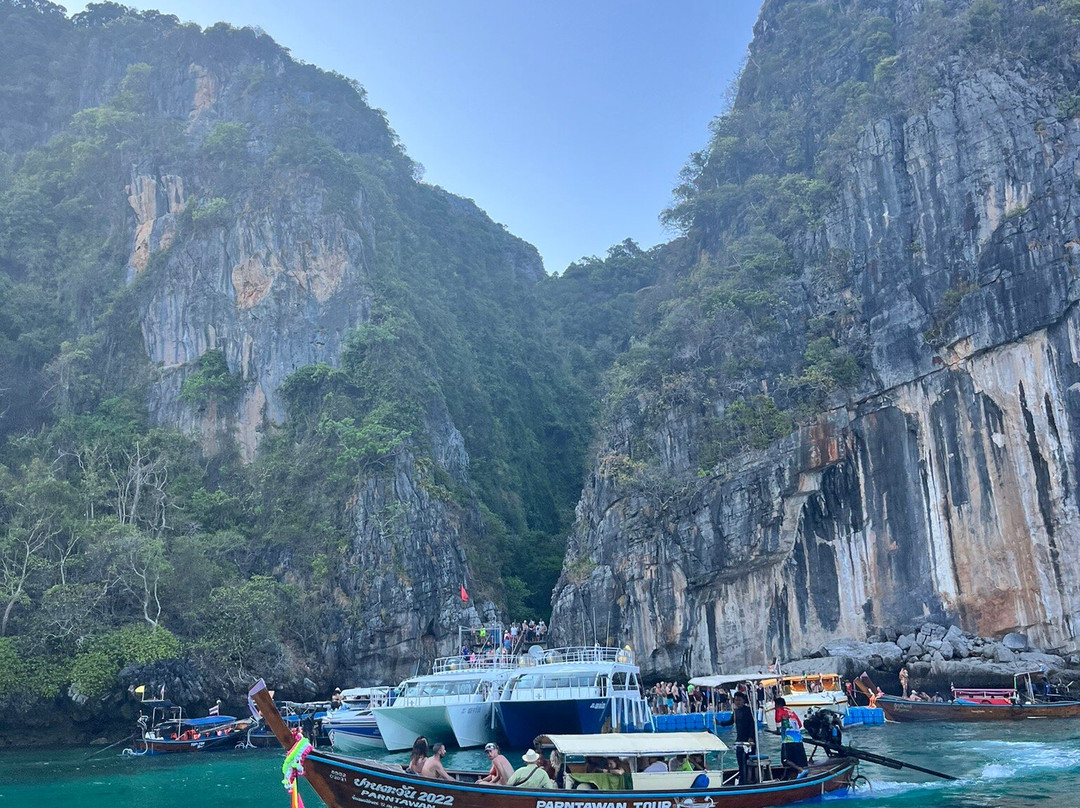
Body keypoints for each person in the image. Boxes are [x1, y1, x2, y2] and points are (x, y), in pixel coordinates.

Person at [717, 692, 756, 784]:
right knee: (740, 761)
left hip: (749, 740)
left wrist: (751, 738)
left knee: (748, 760)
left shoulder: (748, 710)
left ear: (743, 701)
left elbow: (752, 724)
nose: (737, 702)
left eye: (739, 700)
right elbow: (731, 721)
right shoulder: (735, 711)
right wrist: (720, 723)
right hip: (739, 739)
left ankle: (750, 778)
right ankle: (742, 779)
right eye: (736, 700)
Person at [773, 697, 807, 777]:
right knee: (798, 759)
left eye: (775, 705)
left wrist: (778, 731)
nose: (774, 707)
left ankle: (800, 770)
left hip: (788, 740)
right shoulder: (791, 711)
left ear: (778, 704)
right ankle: (798, 773)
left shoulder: (779, 710)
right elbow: (799, 725)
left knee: (785, 760)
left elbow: (778, 722)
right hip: (798, 739)